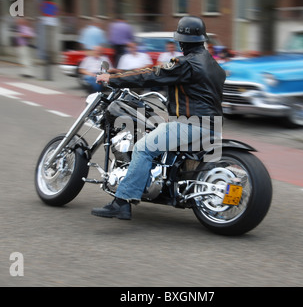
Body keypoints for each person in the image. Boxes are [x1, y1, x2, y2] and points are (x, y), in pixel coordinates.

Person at [92, 16, 226, 220]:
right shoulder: (215, 66)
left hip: (191, 123)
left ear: (182, 41)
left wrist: (113, 78)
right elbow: (200, 93)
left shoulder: (185, 63)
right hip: (213, 126)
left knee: (142, 148)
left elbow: (151, 74)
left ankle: (121, 202)